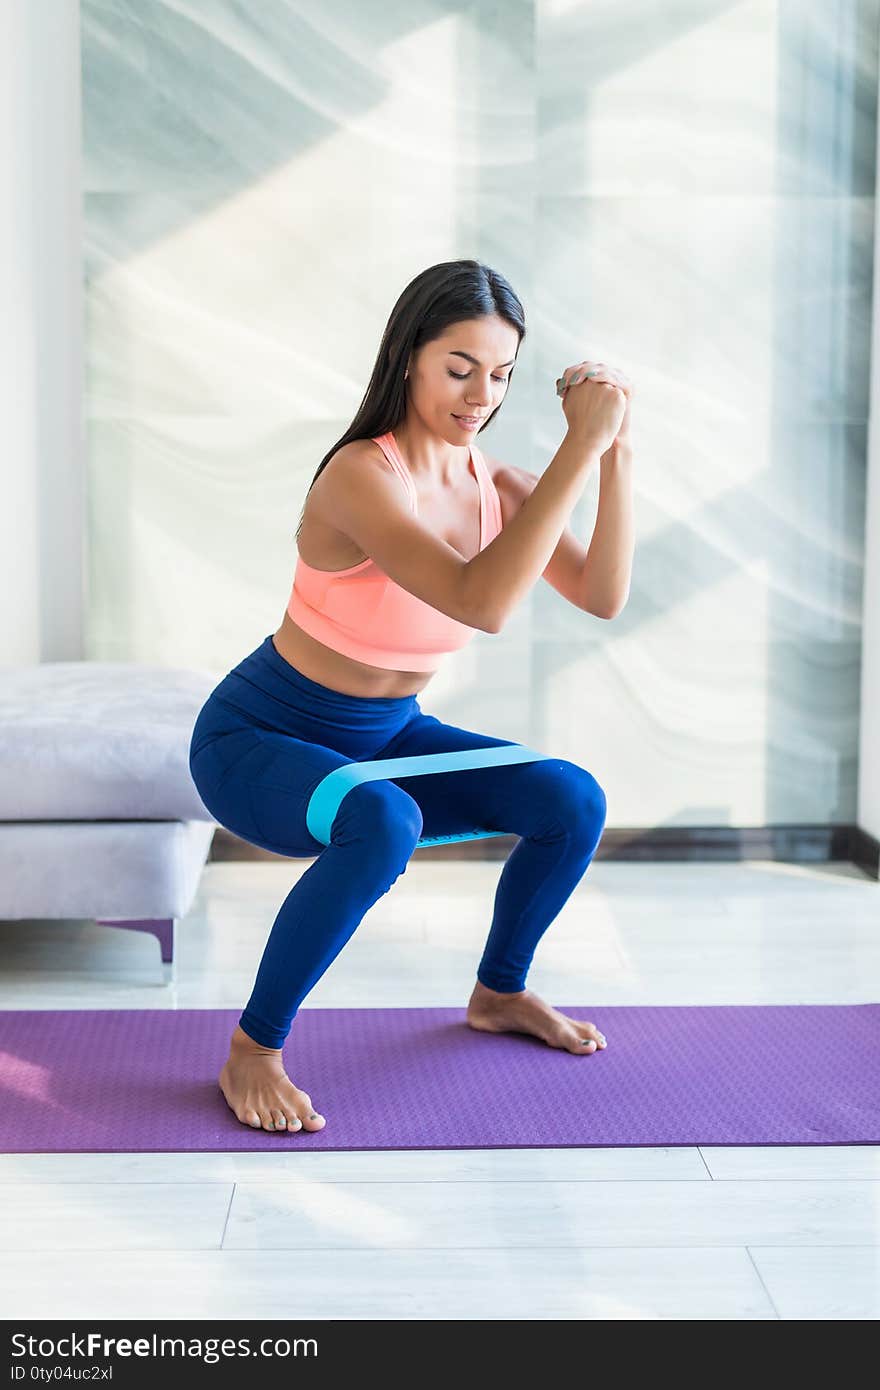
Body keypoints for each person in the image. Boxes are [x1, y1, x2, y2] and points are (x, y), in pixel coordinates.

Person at [188, 258, 631, 1133]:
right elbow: (483, 602)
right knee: (382, 819)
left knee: (571, 799)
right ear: (408, 360)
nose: (480, 394)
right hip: (256, 740)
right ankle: (253, 1052)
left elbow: (603, 594)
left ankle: (500, 992)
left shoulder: (494, 484)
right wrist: (579, 446)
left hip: (387, 736)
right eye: (459, 367)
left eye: (501, 374)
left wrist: (616, 454)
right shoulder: (363, 475)